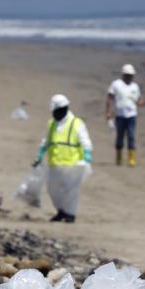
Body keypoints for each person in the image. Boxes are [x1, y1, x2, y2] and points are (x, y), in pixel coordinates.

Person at [36, 94, 92, 223]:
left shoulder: (76, 123)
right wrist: (40, 154)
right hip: (55, 162)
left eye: (55, 111)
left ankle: (70, 214)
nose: (54, 114)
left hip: (73, 163)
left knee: (71, 190)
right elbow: (46, 140)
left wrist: (87, 155)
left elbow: (85, 141)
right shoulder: (52, 124)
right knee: (52, 189)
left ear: (63, 109)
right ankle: (61, 211)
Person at [105, 64, 145, 167]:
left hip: (131, 115)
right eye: (128, 75)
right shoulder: (116, 84)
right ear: (124, 74)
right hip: (119, 115)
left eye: (131, 75)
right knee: (119, 137)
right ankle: (119, 157)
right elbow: (110, 97)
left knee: (131, 136)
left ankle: (131, 159)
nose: (130, 77)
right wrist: (108, 111)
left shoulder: (135, 87)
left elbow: (137, 102)